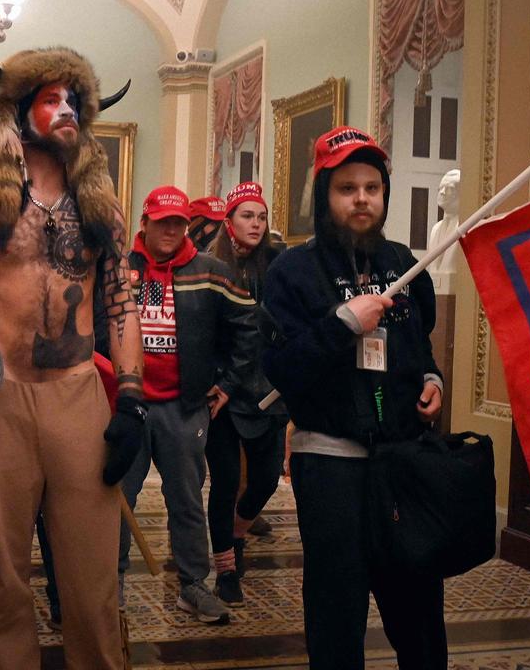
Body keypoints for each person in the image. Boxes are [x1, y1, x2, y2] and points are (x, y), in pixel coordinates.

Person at [0, 24, 143, 668]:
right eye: (51, 99)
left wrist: (131, 401)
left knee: (92, 582)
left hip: (79, 395)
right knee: (2, 581)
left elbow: (122, 300)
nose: (67, 111)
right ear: (21, 112)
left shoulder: (100, 208)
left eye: (74, 101)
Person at [260, 126, 445, 669]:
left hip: (403, 466)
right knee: (337, 610)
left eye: (372, 187)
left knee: (418, 608)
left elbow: (420, 347)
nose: (362, 198)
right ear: (324, 196)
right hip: (331, 466)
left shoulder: (404, 266)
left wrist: (432, 381)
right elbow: (283, 370)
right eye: (347, 188)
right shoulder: (291, 272)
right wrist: (342, 324)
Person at [119, 185, 257, 625]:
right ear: (145, 223)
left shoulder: (212, 272)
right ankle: (111, 584)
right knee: (118, 498)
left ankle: (193, 585)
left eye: (178, 222)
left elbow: (248, 329)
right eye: (162, 222)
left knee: (186, 499)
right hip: (128, 406)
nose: (171, 230)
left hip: (185, 406)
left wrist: (229, 383)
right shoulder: (120, 270)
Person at [203, 181, 288, 607]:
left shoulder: (279, 263)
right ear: (229, 221)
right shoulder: (212, 266)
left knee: (266, 481)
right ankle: (225, 567)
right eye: (246, 216)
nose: (255, 224)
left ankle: (237, 534)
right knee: (224, 484)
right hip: (223, 393)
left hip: (270, 393)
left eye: (261, 216)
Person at [426, 169, 461, 278]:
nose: (442, 192)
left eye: (449, 188)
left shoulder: (465, 227)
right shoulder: (435, 229)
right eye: (441, 187)